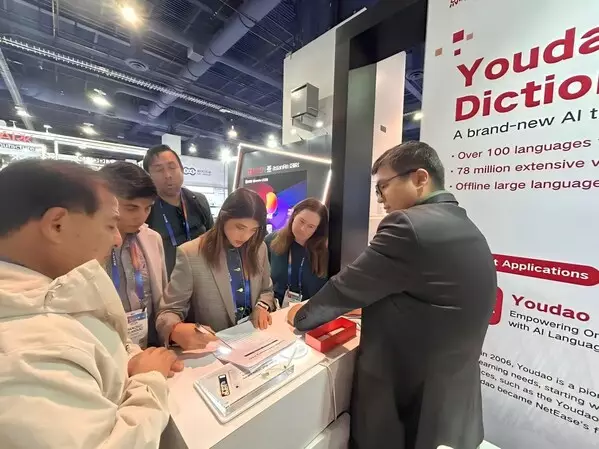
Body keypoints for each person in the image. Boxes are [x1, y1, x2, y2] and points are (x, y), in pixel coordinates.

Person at [288, 141, 497, 449]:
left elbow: (347, 286)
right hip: (451, 397)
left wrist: (302, 315)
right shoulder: (463, 223)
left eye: (383, 186)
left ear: (420, 178)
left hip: (407, 399)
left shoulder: (407, 225)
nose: (380, 198)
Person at [0, 159, 182, 449]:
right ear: (57, 224)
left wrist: (131, 359)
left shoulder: (54, 295)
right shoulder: (24, 354)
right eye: (110, 224)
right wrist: (148, 380)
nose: (117, 238)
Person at [156, 188, 276, 349]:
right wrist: (175, 330)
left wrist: (262, 306)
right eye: (240, 227)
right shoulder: (191, 253)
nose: (245, 236)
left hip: (254, 338)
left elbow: (266, 290)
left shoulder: (258, 248)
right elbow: (168, 312)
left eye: (253, 230)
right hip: (212, 347)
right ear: (224, 217)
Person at [99, 162, 167, 349]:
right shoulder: (86, 245)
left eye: (147, 208)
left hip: (149, 345)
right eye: (131, 208)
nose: (141, 216)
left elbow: (161, 297)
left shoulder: (152, 239)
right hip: (108, 349)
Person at [143, 144, 214, 277]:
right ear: (148, 176)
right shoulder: (146, 209)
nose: (168, 175)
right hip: (168, 281)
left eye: (172, 167)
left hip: (203, 276)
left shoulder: (198, 200)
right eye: (159, 170)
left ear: (181, 169)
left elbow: (213, 238)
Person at [264, 198, 329, 307]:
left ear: (317, 229)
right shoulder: (271, 241)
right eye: (301, 221)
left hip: (311, 311)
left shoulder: (324, 252)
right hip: (276, 310)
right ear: (294, 215)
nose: (303, 229)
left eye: (311, 226)